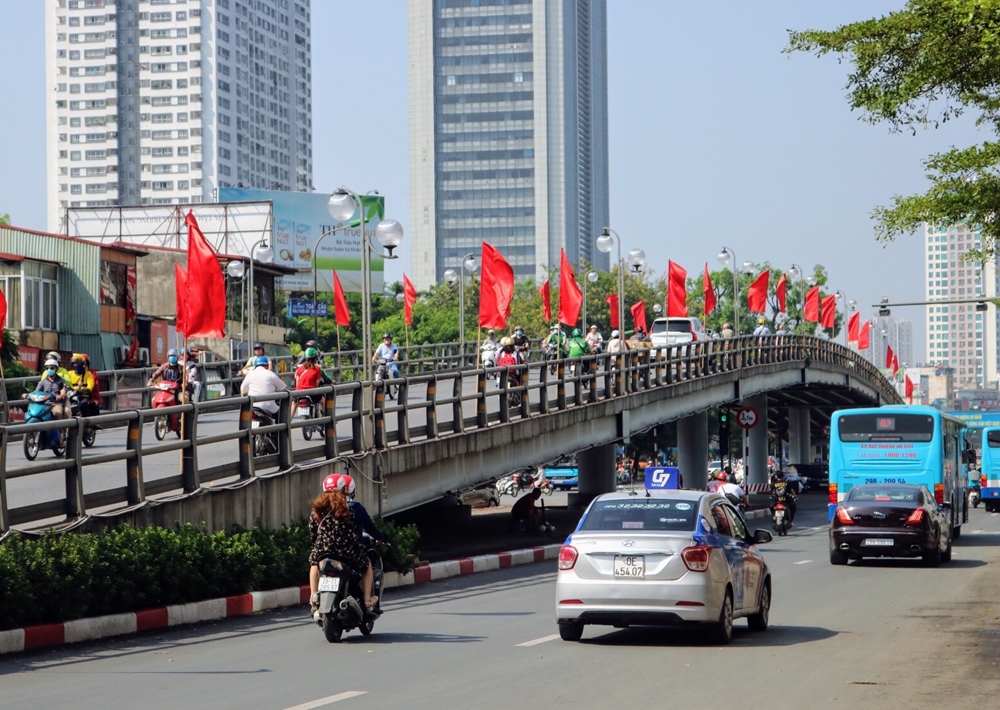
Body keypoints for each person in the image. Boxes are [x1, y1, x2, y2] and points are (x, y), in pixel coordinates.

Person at [307, 489, 377, 617]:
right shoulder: (349, 511)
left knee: (314, 564)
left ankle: (313, 597)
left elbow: (313, 534)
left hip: (323, 553)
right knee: (367, 565)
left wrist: (319, 545)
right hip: (346, 553)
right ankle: (367, 601)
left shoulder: (316, 512)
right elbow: (356, 532)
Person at [324, 473, 390, 544]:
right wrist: (383, 537)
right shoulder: (354, 508)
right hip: (348, 552)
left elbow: (314, 535)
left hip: (322, 552)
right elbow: (370, 529)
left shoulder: (318, 510)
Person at [292, 347, 329, 418]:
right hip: (311, 393)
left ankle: (287, 423)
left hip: (299, 393)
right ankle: (328, 418)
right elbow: (317, 384)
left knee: (293, 405)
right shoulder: (317, 369)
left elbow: (297, 382)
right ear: (315, 358)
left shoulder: (299, 369)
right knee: (323, 400)